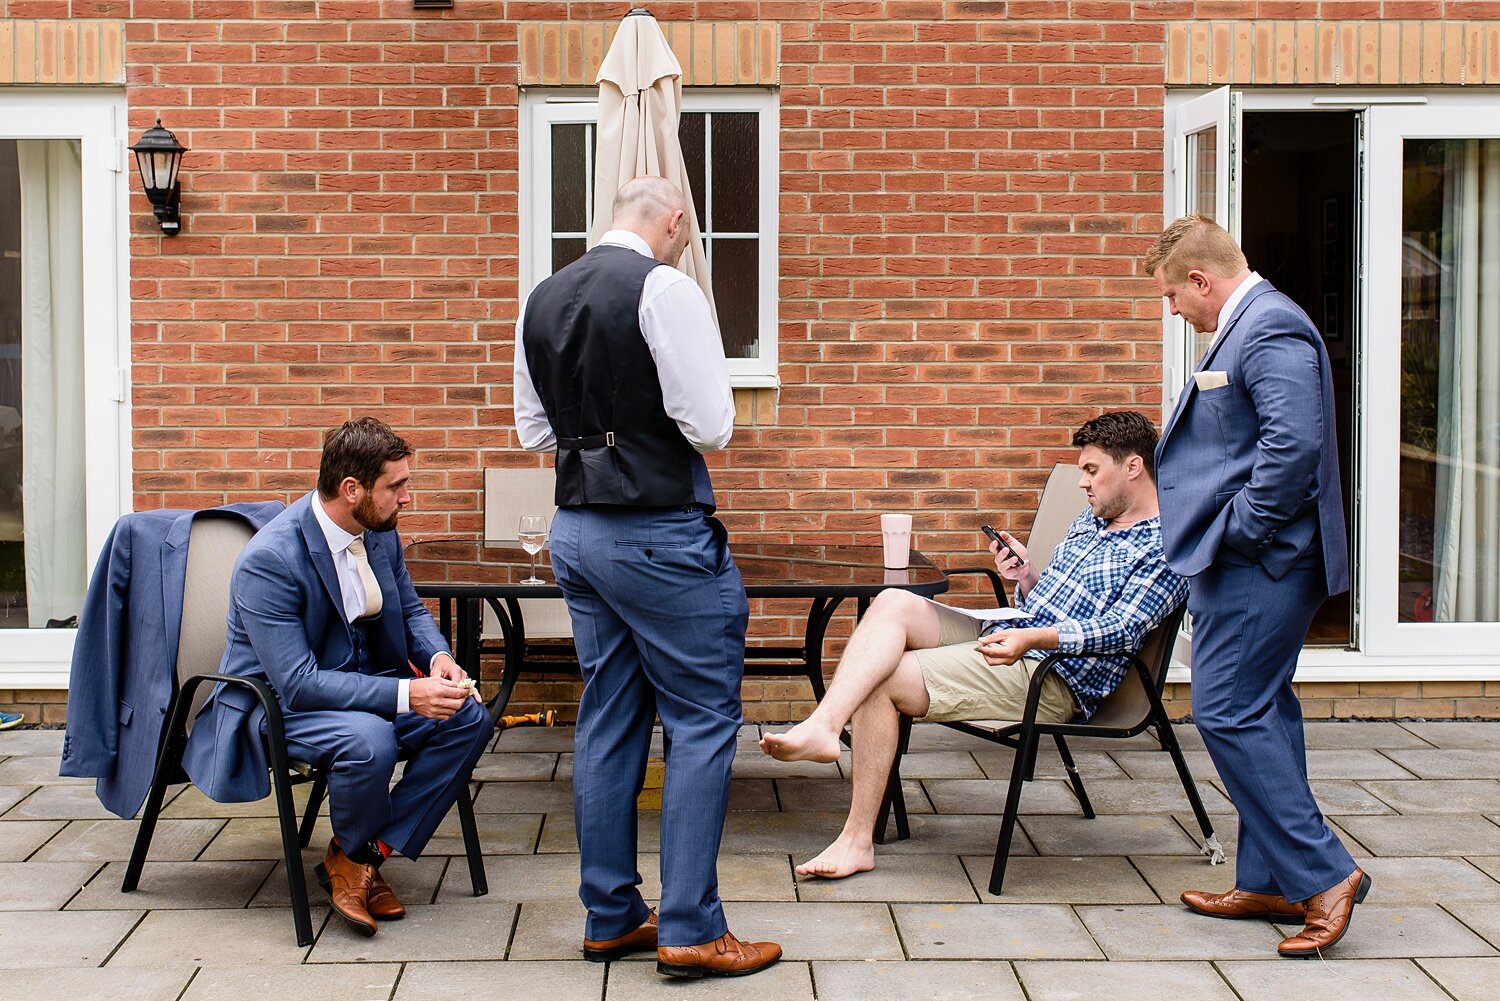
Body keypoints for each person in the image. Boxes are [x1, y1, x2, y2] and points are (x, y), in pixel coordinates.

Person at [513, 175, 781, 979]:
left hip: (576, 532)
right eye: (686, 236)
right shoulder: (665, 288)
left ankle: (610, 914)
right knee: (701, 720)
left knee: (609, 713)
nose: (684, 247)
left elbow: (534, 428)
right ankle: (692, 924)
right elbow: (713, 425)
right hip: (658, 534)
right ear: (672, 221)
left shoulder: (542, 296)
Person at [760, 411, 1188, 879]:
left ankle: (855, 842)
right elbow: (1055, 599)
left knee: (883, 680)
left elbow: (1121, 631)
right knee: (894, 601)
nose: (1083, 484)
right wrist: (1025, 577)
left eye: (1091, 470)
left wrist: (1034, 637)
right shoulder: (1092, 519)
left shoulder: (1166, 545)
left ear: (1133, 467)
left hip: (1054, 676)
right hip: (1017, 633)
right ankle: (824, 725)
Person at [182, 418, 494, 937]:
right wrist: (405, 693)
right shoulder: (271, 561)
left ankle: (360, 858)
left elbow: (413, 611)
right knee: (369, 739)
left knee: (468, 716)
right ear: (352, 490)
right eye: (396, 486)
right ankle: (356, 863)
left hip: (360, 686)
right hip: (277, 706)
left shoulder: (378, 534)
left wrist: (438, 659)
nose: (407, 499)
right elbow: (299, 683)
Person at [1148, 214, 1366, 958]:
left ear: (1203, 280)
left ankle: (1325, 874)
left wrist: (1235, 533)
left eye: (1175, 295)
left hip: (1261, 561)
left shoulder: (1270, 328)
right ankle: (1270, 877)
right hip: (1251, 559)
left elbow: (1292, 448)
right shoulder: (1249, 326)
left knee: (1227, 709)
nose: (1174, 310)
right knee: (1263, 709)